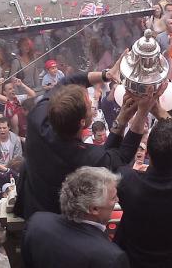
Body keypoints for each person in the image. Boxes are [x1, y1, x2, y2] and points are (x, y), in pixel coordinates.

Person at [14, 53, 153, 219]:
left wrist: (106, 75)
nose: (92, 104)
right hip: (58, 221)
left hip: (31, 205)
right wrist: (142, 112)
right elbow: (121, 157)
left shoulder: (38, 116)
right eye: (89, 105)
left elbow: (66, 82)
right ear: (82, 122)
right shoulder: (80, 156)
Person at [115, 103, 172, 268]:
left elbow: (116, 157)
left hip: (135, 260)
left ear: (147, 152)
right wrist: (158, 110)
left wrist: (141, 111)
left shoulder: (128, 181)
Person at [22, 166, 130, 268]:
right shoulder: (111, 258)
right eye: (113, 197)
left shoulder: (36, 223)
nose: (117, 200)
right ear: (94, 209)